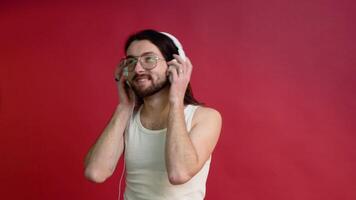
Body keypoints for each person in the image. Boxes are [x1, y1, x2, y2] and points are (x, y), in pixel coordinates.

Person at [84, 29, 222, 200]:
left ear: (175, 65)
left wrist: (176, 100)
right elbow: (95, 172)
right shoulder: (127, 118)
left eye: (149, 59)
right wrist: (124, 107)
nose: (138, 69)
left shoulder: (205, 117)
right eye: (131, 61)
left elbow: (179, 173)